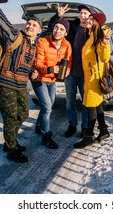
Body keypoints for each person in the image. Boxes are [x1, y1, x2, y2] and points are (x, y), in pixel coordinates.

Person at [0, 0, 41, 163]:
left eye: (34, 25)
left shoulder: (33, 46)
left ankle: (9, 140)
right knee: (11, 117)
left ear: (39, 31)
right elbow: (3, 24)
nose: (30, 26)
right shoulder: (15, 36)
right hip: (5, 84)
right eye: (29, 23)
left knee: (24, 113)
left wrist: (33, 72)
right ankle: (11, 148)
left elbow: (28, 64)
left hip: (20, 85)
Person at [49, 4, 95, 138]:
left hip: (86, 74)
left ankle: (85, 128)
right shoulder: (73, 26)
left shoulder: (93, 30)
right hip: (70, 73)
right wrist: (59, 16)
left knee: (86, 103)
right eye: (81, 13)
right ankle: (72, 126)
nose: (82, 15)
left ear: (90, 16)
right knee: (70, 103)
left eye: (86, 13)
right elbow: (54, 27)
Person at [31, 18, 72, 149]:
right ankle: (46, 136)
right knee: (47, 107)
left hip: (52, 80)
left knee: (48, 104)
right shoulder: (43, 42)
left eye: (61, 29)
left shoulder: (67, 45)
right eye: (56, 27)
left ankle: (39, 126)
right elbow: (37, 63)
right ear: (52, 29)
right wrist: (49, 69)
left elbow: (69, 62)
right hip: (39, 79)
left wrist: (67, 71)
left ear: (66, 33)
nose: (58, 31)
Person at [74, 12, 112, 149]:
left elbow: (104, 57)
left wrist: (105, 44)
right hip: (90, 76)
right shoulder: (90, 35)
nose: (88, 20)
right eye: (88, 18)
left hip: (94, 78)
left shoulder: (100, 36)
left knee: (90, 106)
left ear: (97, 22)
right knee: (97, 105)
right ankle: (103, 130)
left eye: (91, 18)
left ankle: (88, 136)